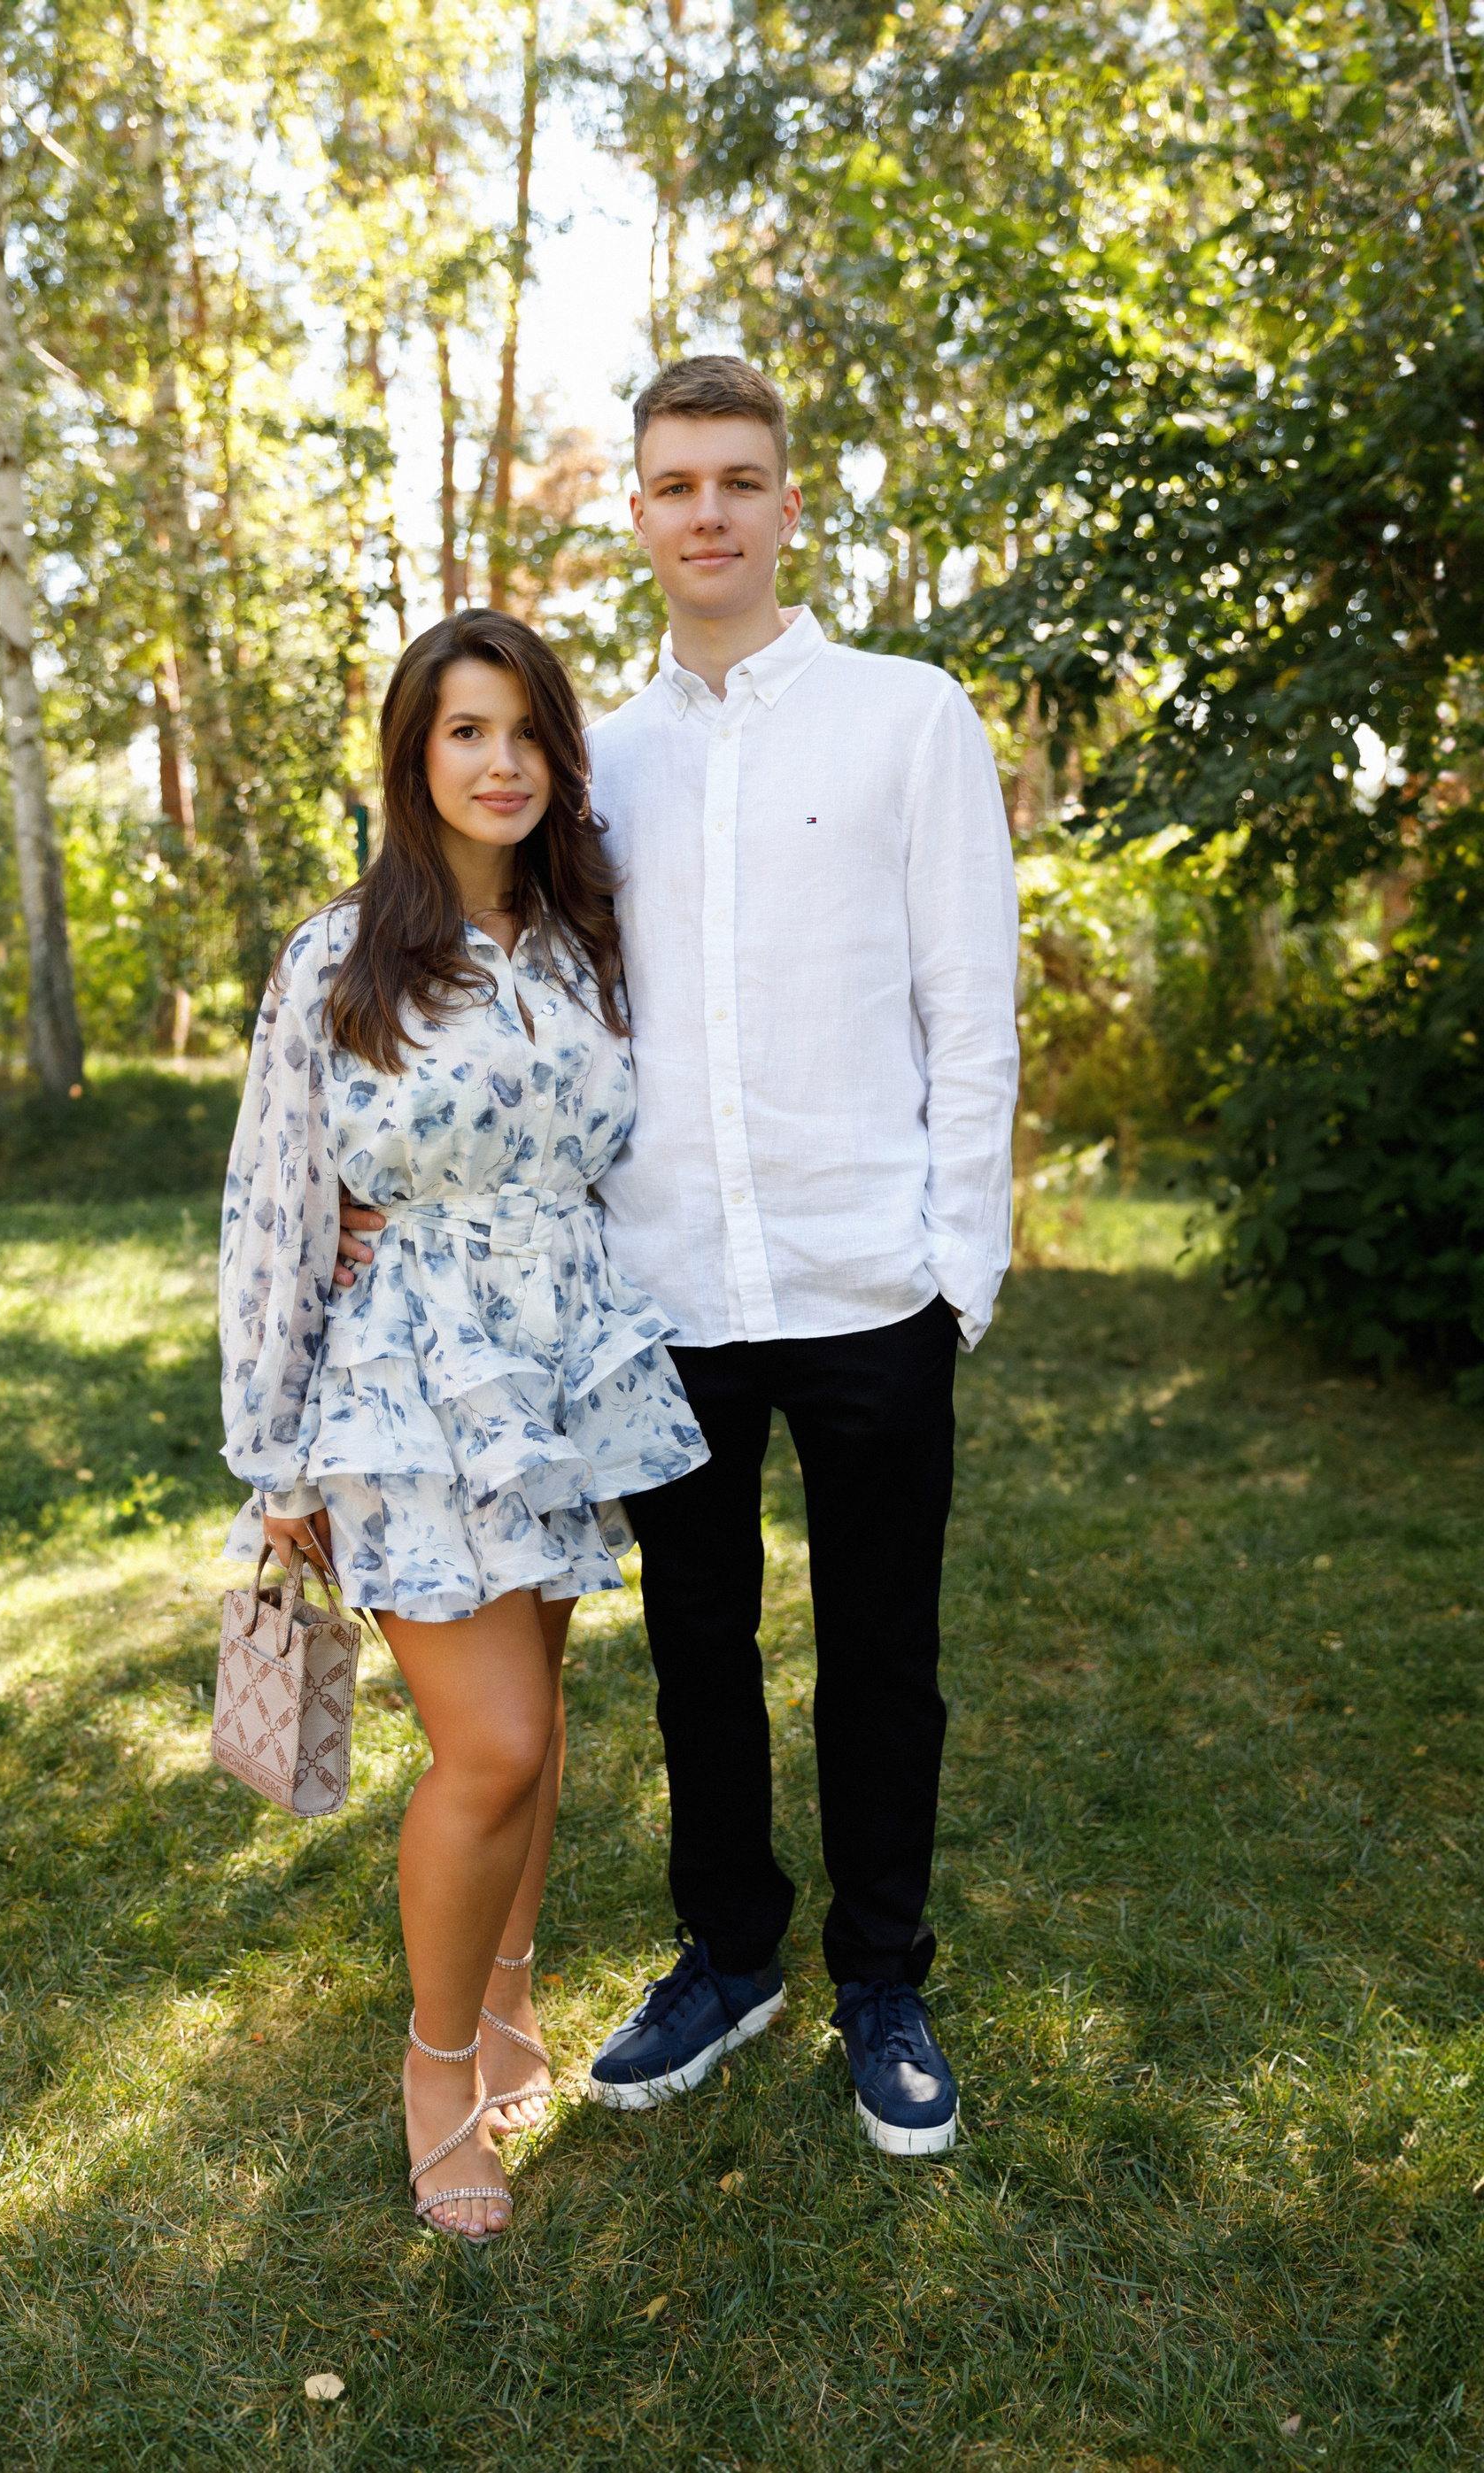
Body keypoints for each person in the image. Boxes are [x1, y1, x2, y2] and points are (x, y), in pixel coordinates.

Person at [336, 355, 1019, 2158]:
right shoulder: (593, 768)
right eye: (674, 483)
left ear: (790, 502)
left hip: (871, 1278)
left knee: (883, 1649)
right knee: (697, 1645)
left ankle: (884, 1974)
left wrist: (962, 1266)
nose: (708, 510)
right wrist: (371, 1175)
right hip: (658, 1300)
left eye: (738, 478)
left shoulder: (908, 717)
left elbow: (972, 1007)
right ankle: (730, 1950)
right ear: (636, 512)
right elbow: (503, 982)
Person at [219, 607, 707, 2241]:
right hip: (401, 1383)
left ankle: (507, 1995)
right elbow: (274, 1209)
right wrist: (271, 1457)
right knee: (489, 1744)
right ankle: (438, 2072)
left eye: (526, 732)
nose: (502, 763)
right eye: (465, 732)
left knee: (540, 1721)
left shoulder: (586, 942)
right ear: (413, 758)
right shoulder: (339, 956)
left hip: (561, 1372)